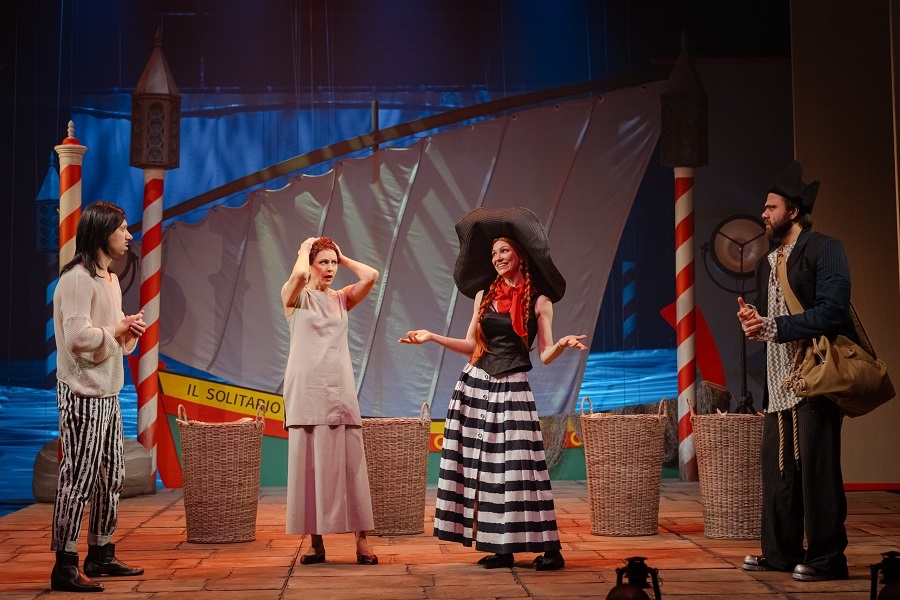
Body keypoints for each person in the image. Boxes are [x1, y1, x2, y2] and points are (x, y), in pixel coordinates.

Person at [399, 206, 586, 571]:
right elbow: (472, 345)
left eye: (504, 251)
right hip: (475, 384)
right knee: (485, 469)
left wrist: (562, 344)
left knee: (520, 468)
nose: (498, 258)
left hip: (512, 387)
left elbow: (544, 354)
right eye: (494, 253)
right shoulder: (483, 294)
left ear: (520, 255)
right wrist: (432, 336)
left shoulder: (540, 300)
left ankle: (550, 548)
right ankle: (502, 547)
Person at [737, 161, 852, 582]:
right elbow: (771, 323)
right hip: (778, 380)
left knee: (818, 471)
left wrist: (775, 326)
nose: (763, 213)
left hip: (814, 377)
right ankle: (780, 553)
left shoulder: (825, 249)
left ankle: (827, 558)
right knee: (778, 471)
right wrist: (755, 323)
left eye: (771, 207)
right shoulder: (766, 262)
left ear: (794, 210)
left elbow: (833, 311)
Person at [51, 201, 147, 593]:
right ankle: (65, 564)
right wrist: (116, 329)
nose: (128, 235)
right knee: (78, 479)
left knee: (112, 476)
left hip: (108, 391)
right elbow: (77, 338)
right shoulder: (78, 279)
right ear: (102, 232)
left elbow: (105, 335)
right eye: (122, 229)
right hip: (82, 392)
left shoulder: (108, 278)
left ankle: (101, 553)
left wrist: (125, 331)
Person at [280, 236, 380, 566]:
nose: (330, 268)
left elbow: (371, 275)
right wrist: (302, 249)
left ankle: (362, 542)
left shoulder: (341, 299)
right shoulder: (295, 297)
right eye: (323, 262)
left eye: (333, 263)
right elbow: (297, 276)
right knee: (310, 467)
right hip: (306, 390)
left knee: (351, 466)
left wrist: (342, 255)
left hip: (339, 389)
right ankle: (316, 543)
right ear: (310, 264)